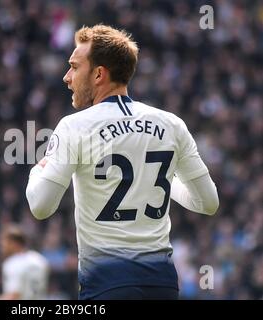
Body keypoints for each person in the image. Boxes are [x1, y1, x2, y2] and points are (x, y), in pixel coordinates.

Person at [26, 25, 219, 300]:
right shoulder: (171, 124)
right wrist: (164, 181)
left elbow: (41, 206)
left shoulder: (74, 127)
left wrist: (36, 172)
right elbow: (208, 203)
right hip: (162, 284)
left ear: (98, 74)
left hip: (107, 283)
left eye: (74, 67)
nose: (67, 77)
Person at [0, 224, 49, 300]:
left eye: (4, 243)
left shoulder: (12, 263)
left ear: (14, 243)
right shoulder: (40, 259)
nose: (2, 247)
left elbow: (13, 296)